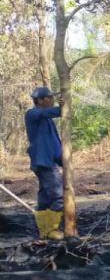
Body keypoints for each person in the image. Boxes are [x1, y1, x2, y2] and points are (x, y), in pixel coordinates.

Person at [25, 86, 64, 240]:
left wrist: (63, 160)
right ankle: (52, 230)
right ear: (40, 100)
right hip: (43, 163)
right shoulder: (33, 113)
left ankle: (44, 231)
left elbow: (53, 143)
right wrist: (62, 108)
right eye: (49, 97)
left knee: (45, 198)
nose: (52, 100)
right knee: (58, 195)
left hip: (49, 162)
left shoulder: (47, 121)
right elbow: (50, 112)